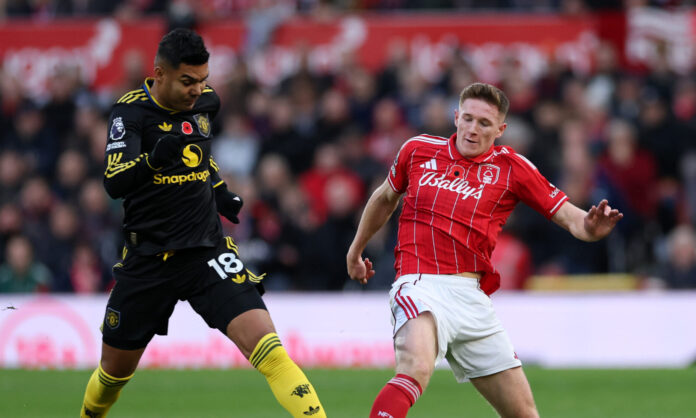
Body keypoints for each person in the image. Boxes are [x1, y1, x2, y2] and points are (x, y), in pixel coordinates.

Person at [80, 28, 325, 418]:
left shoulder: (206, 103)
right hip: (149, 260)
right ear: (159, 75)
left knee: (269, 350)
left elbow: (201, 157)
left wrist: (220, 191)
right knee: (113, 375)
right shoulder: (130, 114)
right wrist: (153, 160)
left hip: (205, 251)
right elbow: (114, 182)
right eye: (187, 81)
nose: (198, 90)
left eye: (203, 80)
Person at [346, 82, 623, 418]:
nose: (473, 129)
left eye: (484, 123)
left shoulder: (513, 168)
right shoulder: (417, 150)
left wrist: (592, 227)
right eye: (468, 119)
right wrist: (356, 249)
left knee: (524, 413)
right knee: (415, 369)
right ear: (456, 117)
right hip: (420, 284)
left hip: (472, 297)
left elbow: (571, 218)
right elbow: (385, 197)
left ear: (500, 130)